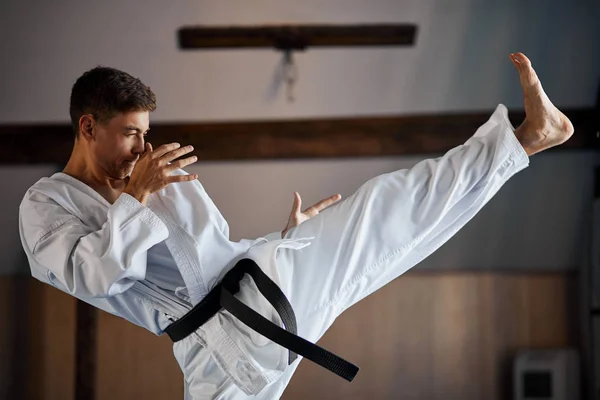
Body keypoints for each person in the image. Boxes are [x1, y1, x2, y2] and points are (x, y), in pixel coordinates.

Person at [18, 52, 573, 399]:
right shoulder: (44, 206)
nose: (141, 147)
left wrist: (282, 244)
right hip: (216, 351)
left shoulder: (149, 178)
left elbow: (216, 253)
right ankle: (521, 143)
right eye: (129, 134)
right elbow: (94, 278)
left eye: (146, 133)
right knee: (388, 229)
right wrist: (137, 201)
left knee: (386, 220)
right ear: (88, 127)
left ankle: (524, 140)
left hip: (262, 289)